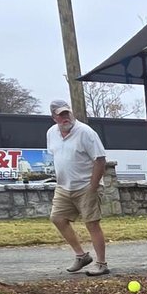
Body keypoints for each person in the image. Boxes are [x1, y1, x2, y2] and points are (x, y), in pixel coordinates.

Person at [47, 99, 110, 276]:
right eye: (61, 115)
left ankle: (102, 263)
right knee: (57, 218)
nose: (65, 117)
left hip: (86, 186)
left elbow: (100, 160)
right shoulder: (51, 133)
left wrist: (93, 186)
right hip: (63, 186)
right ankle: (81, 255)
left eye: (67, 113)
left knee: (92, 223)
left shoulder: (85, 132)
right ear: (54, 117)